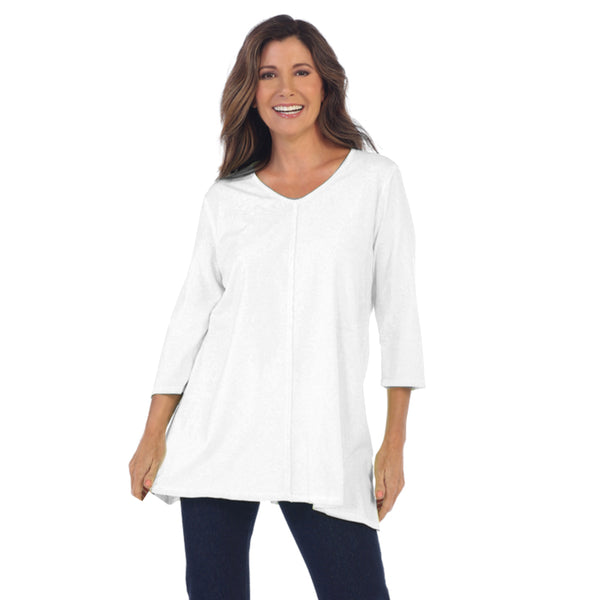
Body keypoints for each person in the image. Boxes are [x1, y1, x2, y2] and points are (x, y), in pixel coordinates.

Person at [129, 14, 425, 600]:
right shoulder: (226, 198)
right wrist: (151, 433)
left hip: (323, 440)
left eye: (300, 72)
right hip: (217, 431)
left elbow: (399, 317)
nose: (285, 89)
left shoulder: (374, 182)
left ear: (326, 83)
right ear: (252, 89)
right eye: (268, 75)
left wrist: (395, 443)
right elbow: (191, 319)